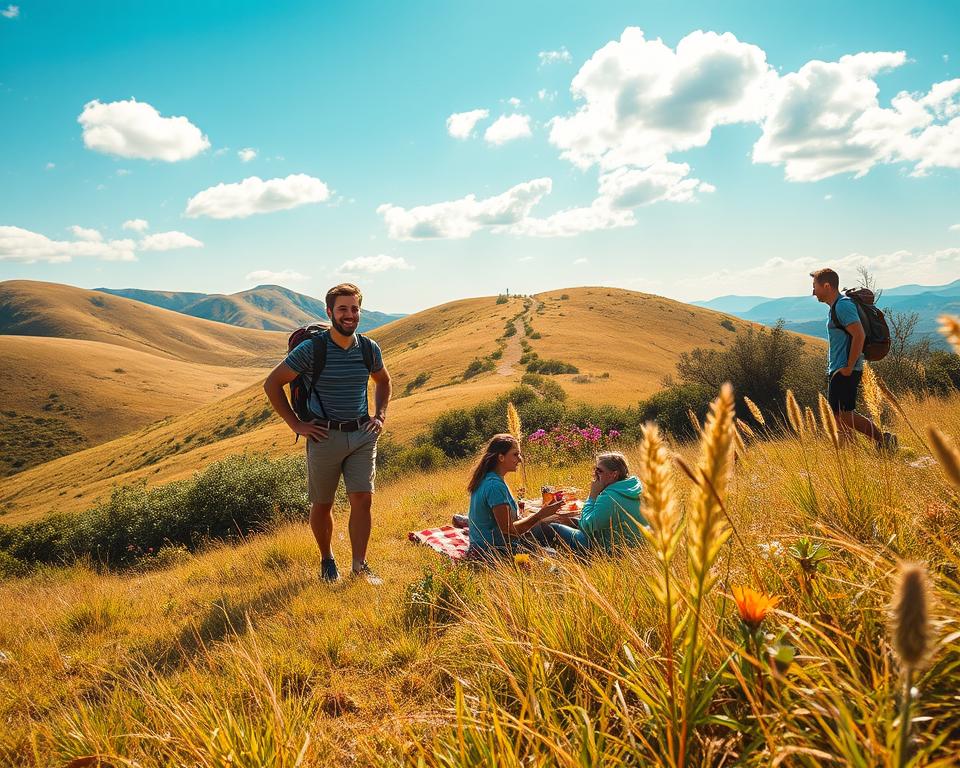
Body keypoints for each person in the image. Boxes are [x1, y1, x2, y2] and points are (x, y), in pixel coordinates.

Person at [263, 283, 392, 583]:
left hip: (361, 434)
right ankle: (327, 559)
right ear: (329, 312)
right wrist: (296, 425)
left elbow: (384, 381)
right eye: (342, 309)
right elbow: (272, 384)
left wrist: (380, 416)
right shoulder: (312, 349)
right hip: (324, 436)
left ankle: (359, 566)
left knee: (363, 499)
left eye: (355, 309)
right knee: (323, 504)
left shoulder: (369, 348)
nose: (350, 315)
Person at [810, 268, 897, 450]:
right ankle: (851, 453)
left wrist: (849, 366)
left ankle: (884, 440)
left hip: (846, 368)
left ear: (827, 286)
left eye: (815, 286)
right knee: (838, 415)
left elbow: (859, 335)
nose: (813, 292)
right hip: (838, 368)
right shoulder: (836, 306)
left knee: (844, 414)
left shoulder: (843, 305)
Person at [465, 434, 563, 559]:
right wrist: (541, 515)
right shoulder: (495, 486)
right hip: (492, 550)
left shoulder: (490, 478)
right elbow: (508, 531)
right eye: (515, 454)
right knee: (554, 556)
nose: (520, 459)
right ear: (501, 457)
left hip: (484, 544)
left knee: (548, 528)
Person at [549, 452, 646, 556]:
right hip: (638, 548)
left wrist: (592, 496)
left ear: (614, 474)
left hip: (613, 551)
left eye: (599, 471)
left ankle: (551, 558)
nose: (595, 474)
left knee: (549, 527)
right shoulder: (634, 488)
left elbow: (586, 527)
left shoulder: (610, 496)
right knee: (569, 520)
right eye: (595, 469)